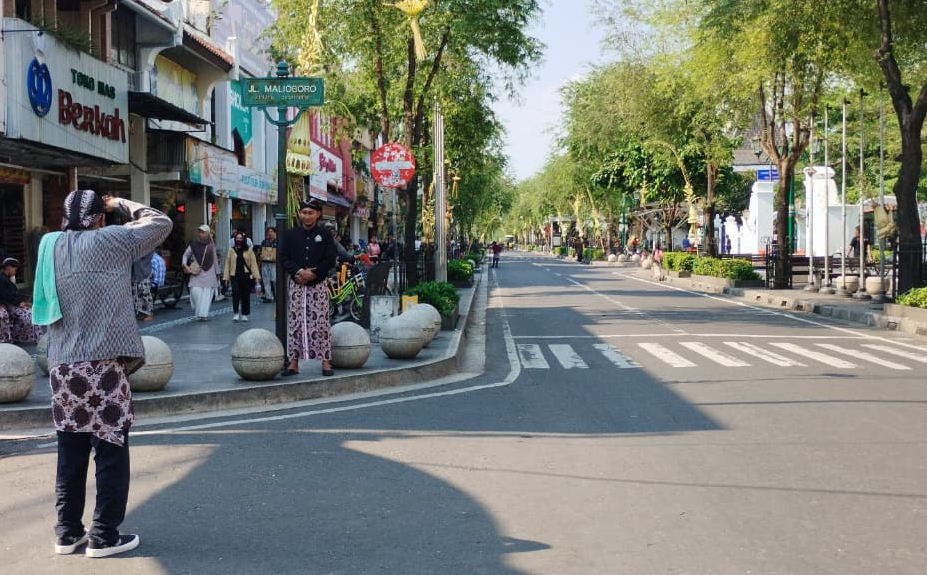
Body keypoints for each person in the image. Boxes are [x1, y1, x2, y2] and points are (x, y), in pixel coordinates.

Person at [33, 190, 171, 558]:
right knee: (110, 451)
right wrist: (119, 204)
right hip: (103, 367)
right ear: (98, 218)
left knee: (70, 452)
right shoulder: (111, 238)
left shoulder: (50, 245)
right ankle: (104, 535)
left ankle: (67, 533)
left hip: (62, 367)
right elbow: (161, 221)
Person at [280, 198, 336, 378]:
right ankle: (294, 363)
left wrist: (314, 273)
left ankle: (326, 362)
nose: (307, 216)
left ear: (318, 214)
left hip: (318, 284)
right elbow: (283, 258)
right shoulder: (290, 234)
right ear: (299, 214)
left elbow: (330, 258)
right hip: (296, 283)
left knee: (321, 322)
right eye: (304, 212)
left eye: (311, 213)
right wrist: (298, 272)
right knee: (296, 323)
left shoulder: (325, 234)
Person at [0, 257, 43, 344]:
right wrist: (20, 303)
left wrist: (23, 302)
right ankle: (33, 337)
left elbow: (14, 294)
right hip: (9, 306)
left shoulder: (8, 279)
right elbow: (6, 296)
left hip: (13, 304)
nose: (16, 270)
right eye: (14, 267)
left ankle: (37, 338)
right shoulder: (2, 279)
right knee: (30, 314)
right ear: (8, 267)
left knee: (33, 312)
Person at [182, 225, 220, 322]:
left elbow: (215, 259)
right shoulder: (194, 244)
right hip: (196, 272)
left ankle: (203, 314)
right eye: (199, 232)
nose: (200, 234)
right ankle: (199, 311)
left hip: (209, 273)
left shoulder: (212, 245)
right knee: (195, 292)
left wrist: (218, 273)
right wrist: (184, 264)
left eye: (202, 232)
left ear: (207, 233)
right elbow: (186, 254)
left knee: (207, 295)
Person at [223, 232, 261, 322]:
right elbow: (227, 264)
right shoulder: (231, 250)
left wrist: (257, 277)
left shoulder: (249, 250)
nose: (238, 240)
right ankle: (236, 313)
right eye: (237, 238)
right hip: (234, 275)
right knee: (235, 293)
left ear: (244, 239)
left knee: (245, 295)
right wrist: (225, 278)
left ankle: (244, 314)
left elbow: (253, 264)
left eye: (240, 238)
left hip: (246, 275)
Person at [131, 253, 154, 321]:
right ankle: (141, 313)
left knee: (145, 294)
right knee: (137, 295)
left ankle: (149, 313)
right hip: (136, 274)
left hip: (144, 273)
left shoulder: (147, 248)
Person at [258, 227, 277, 302]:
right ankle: (268, 296)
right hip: (265, 262)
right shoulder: (264, 242)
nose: (270, 233)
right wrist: (260, 255)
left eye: (271, 231)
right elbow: (260, 251)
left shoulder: (278, 241)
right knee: (266, 280)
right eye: (268, 232)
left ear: (275, 232)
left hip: (274, 263)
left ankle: (277, 295)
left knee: (275, 280)